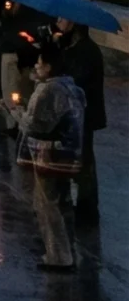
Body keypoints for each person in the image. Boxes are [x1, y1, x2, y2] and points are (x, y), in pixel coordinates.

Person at [22, 45, 85, 272]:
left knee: (47, 205)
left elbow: (37, 125)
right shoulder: (73, 88)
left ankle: (58, 256)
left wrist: (16, 113)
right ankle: (69, 252)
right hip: (69, 155)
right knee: (64, 203)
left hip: (48, 155)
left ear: (48, 67)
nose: (36, 67)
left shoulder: (49, 90)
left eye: (39, 63)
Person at [53, 17, 106, 222]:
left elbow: (78, 80)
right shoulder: (71, 47)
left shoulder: (87, 50)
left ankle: (87, 208)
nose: (58, 23)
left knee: (83, 160)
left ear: (74, 24)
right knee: (75, 158)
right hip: (73, 113)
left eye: (63, 19)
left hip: (84, 113)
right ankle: (76, 202)